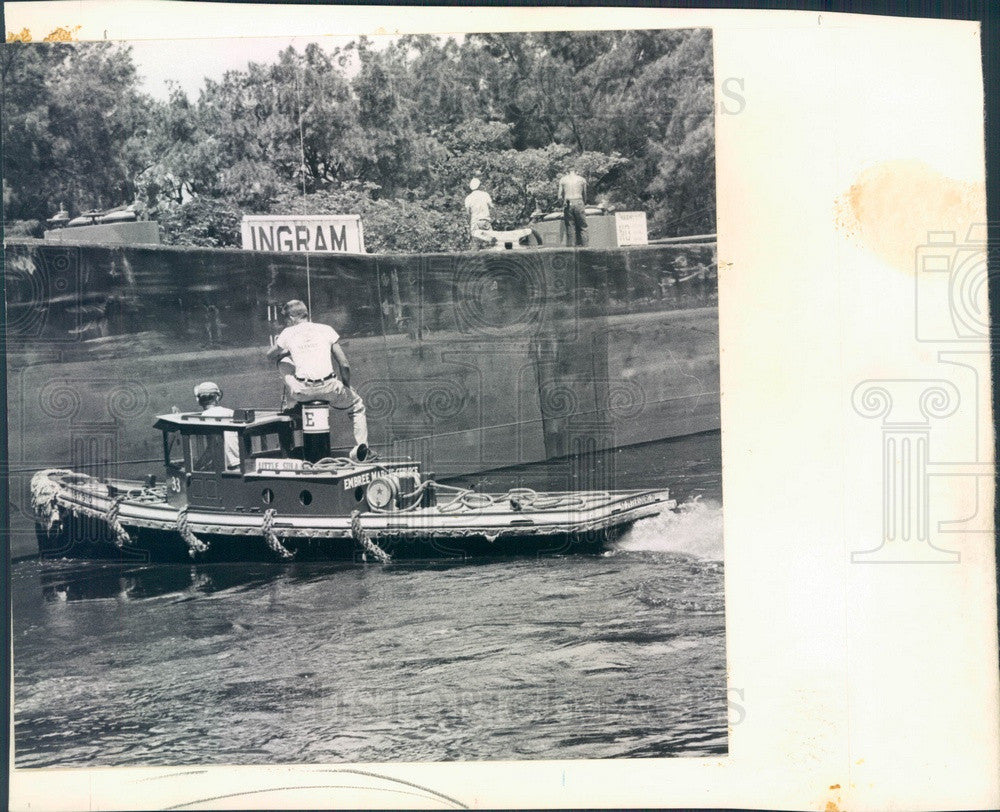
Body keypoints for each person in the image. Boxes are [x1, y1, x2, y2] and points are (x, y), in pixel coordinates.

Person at [265, 299, 370, 462]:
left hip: (303, 391)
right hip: (329, 388)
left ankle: (293, 402)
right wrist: (347, 386)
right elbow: (344, 364)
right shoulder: (326, 329)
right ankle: (362, 449)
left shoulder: (287, 333)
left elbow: (269, 355)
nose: (286, 323)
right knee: (357, 406)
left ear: (292, 318)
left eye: (286, 320)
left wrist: (286, 351)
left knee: (282, 362)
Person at [193, 381, 240, 470]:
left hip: (226, 467)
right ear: (217, 398)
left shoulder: (204, 418)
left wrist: (196, 468)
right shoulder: (231, 412)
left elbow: (211, 449)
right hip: (241, 463)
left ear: (199, 401)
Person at [558, 167, 589, 247]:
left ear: (568, 172)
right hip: (579, 201)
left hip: (568, 202)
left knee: (570, 227)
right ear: (577, 171)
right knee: (583, 226)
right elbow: (585, 194)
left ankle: (572, 250)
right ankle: (586, 249)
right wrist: (583, 203)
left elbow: (559, 197)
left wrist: (563, 204)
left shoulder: (563, 180)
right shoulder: (582, 179)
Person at [464, 178, 493, 249]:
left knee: (475, 243)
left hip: (475, 221)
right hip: (485, 220)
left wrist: (468, 224)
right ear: (479, 186)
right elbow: (492, 206)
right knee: (490, 242)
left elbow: (467, 213)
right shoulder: (485, 194)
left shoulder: (468, 198)